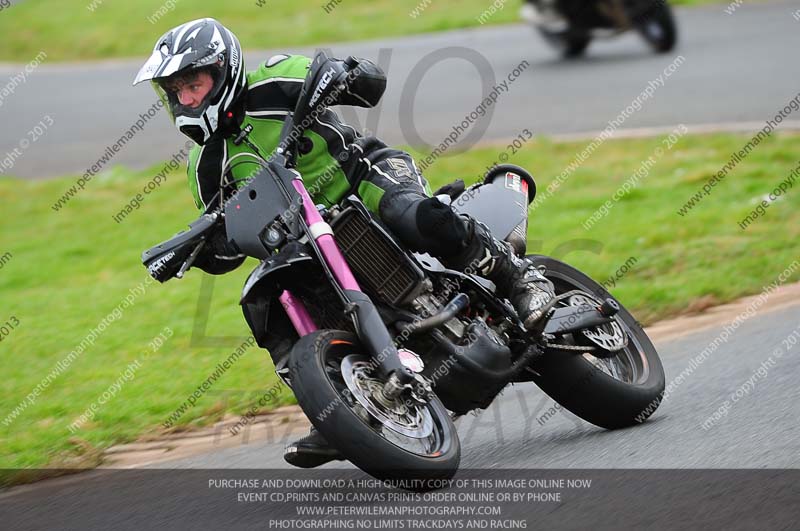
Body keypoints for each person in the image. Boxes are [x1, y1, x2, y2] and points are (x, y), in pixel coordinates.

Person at [134, 18, 554, 468]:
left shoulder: (276, 79)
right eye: (175, 91)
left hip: (364, 182)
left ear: (223, 69)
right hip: (307, 241)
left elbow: (367, 80)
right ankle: (336, 408)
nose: (187, 99)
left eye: (192, 84)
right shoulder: (204, 164)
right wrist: (197, 251)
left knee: (415, 216)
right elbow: (228, 242)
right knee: (266, 300)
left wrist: (344, 73)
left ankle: (519, 278)